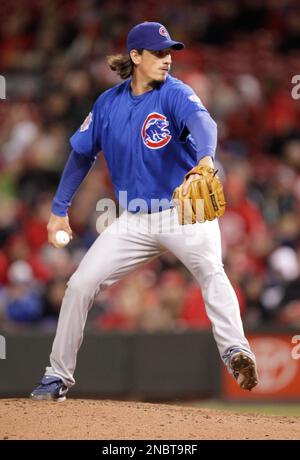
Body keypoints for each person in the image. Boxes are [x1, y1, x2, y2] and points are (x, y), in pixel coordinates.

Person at [30, 22, 258, 401]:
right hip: (133, 220)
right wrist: (59, 209)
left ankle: (236, 351)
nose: (167, 59)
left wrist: (205, 159)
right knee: (80, 285)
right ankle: (56, 377)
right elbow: (81, 155)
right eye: (158, 52)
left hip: (182, 212)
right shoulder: (107, 104)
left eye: (169, 52)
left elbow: (204, 123)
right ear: (135, 57)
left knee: (212, 271)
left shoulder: (175, 93)